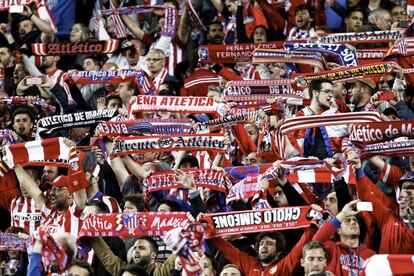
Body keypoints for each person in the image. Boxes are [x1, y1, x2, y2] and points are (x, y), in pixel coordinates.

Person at [313, 200, 376, 276]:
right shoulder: (332, 249)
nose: (353, 222)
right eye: (347, 221)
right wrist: (343, 214)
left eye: (355, 220)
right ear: (339, 230)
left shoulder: (371, 255)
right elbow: (317, 241)